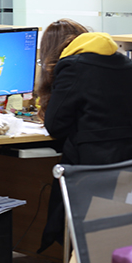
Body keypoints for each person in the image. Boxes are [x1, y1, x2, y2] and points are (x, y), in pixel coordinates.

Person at [36, 19, 132, 253]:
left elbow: (56, 126)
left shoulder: (72, 66)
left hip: (90, 168)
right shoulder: (122, 61)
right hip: (124, 164)